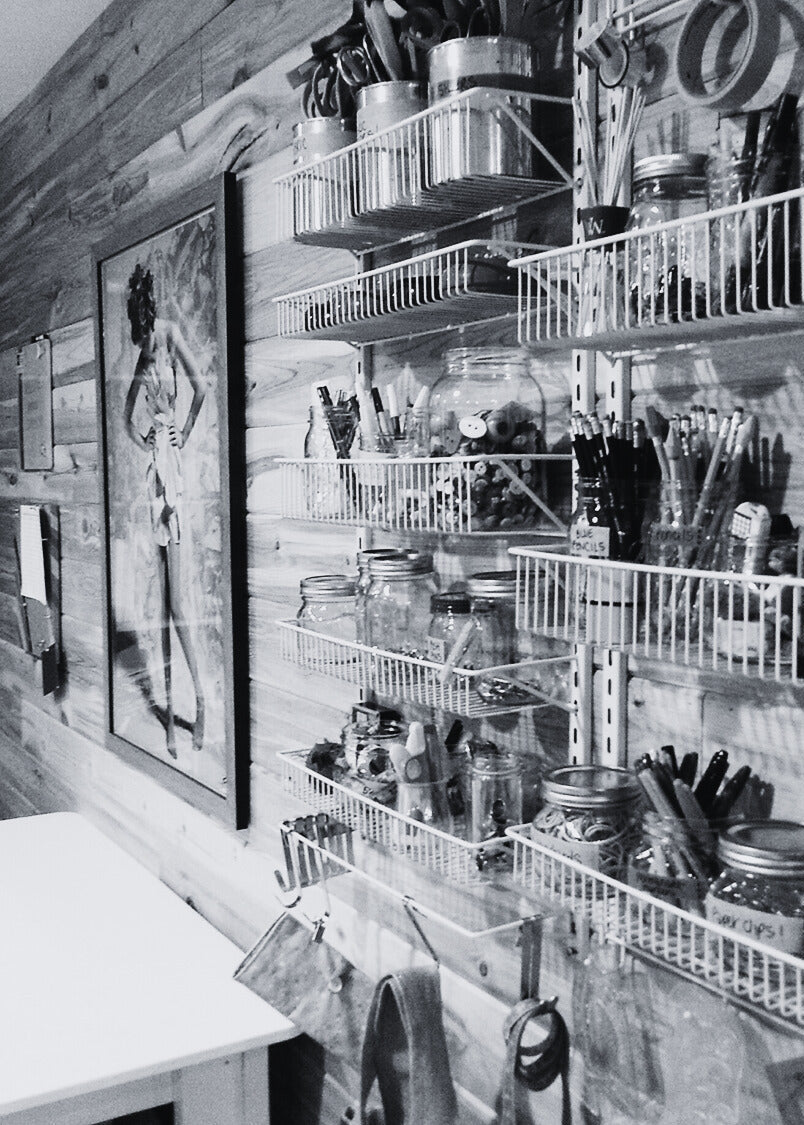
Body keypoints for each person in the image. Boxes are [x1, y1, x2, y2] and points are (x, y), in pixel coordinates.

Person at [124, 263, 206, 758]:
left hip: (175, 476)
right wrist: (146, 440)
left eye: (143, 321)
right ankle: (173, 723)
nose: (144, 333)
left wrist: (184, 432)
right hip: (156, 475)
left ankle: (200, 701)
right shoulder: (142, 352)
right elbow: (126, 413)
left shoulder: (171, 337)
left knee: (177, 608)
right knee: (160, 611)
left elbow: (202, 390)